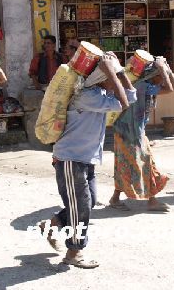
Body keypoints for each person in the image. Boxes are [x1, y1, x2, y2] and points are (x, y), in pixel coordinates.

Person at [40, 54, 136, 269]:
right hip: (70, 159)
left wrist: (118, 70)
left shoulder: (99, 93)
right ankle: (74, 252)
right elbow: (126, 102)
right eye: (110, 76)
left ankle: (51, 224)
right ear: (101, 76)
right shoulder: (85, 96)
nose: (114, 80)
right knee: (81, 208)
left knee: (88, 202)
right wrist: (112, 71)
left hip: (85, 159)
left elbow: (130, 97)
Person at [109, 57, 174, 212]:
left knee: (127, 165)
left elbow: (173, 86)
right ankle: (151, 201)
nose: (162, 80)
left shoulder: (147, 85)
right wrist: (161, 68)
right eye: (161, 76)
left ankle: (115, 198)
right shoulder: (142, 86)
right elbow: (170, 88)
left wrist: (166, 68)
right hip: (128, 133)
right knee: (141, 164)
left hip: (131, 132)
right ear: (153, 75)